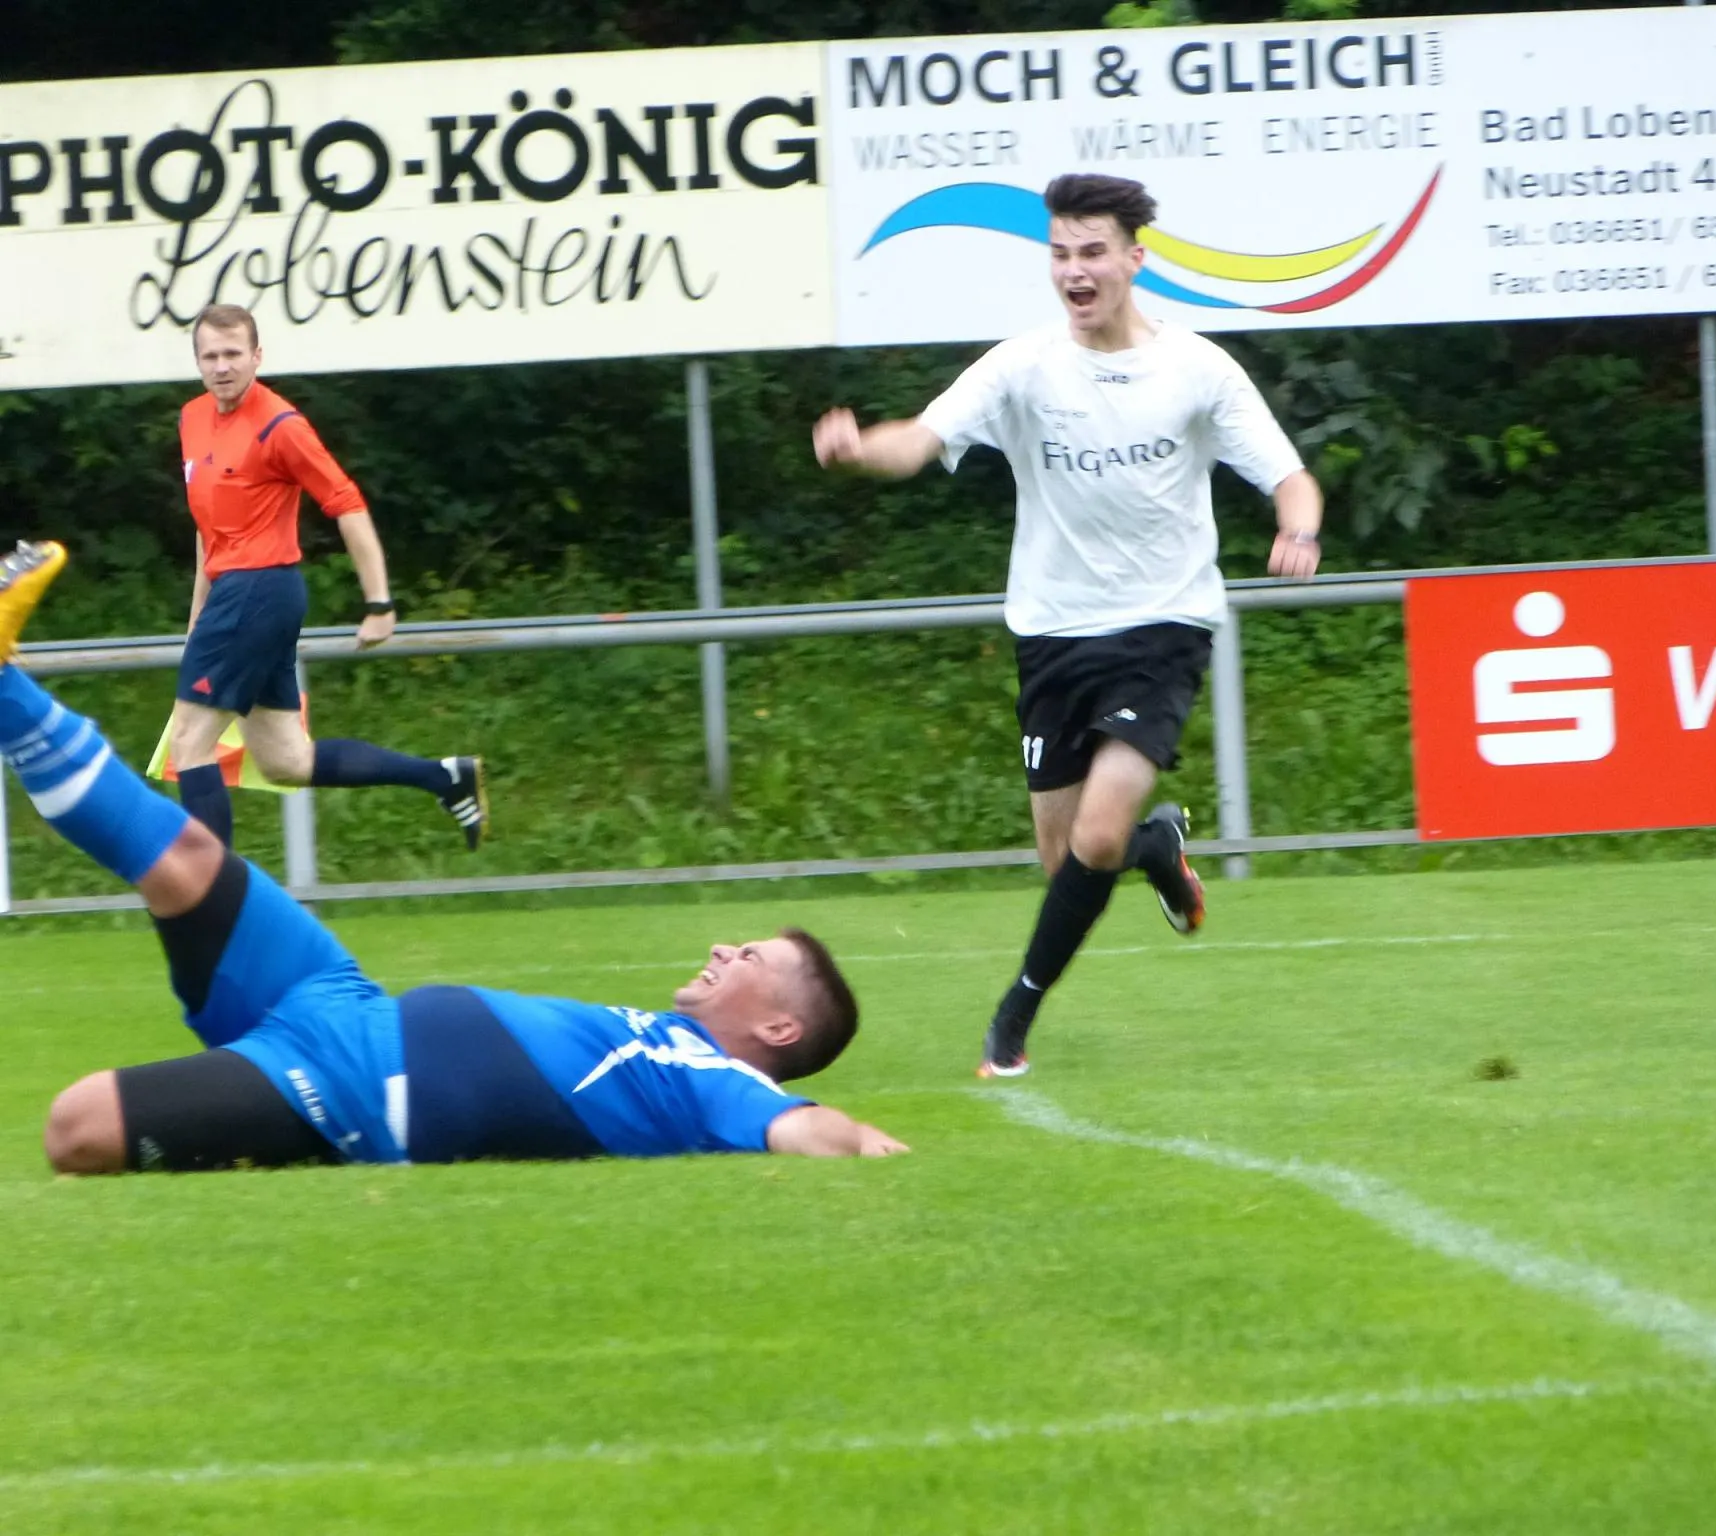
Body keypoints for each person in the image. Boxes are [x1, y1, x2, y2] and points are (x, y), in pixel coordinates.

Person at [3, 543, 906, 1172]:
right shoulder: (672, 1046)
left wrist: (868, 1143)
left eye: (750, 959)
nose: (722, 949)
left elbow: (805, 1132)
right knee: (189, 856)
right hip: (337, 998)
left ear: (779, 1031)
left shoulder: (720, 1083)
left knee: (75, 1127)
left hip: (350, 1088)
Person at [814, 172, 1323, 1079]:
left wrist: (1299, 529)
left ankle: (1012, 1020)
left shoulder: (1198, 368)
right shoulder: (1022, 367)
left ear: (1135, 259)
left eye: (1092, 253)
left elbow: (1289, 477)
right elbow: (919, 441)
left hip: (1163, 629)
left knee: (1094, 836)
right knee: (1068, 860)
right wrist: (861, 450)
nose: (1074, 272)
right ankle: (1155, 847)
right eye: (1060, 254)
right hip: (1052, 633)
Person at [172, 303, 486, 851]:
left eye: (233, 354)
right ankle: (444, 778)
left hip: (259, 590)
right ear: (197, 361)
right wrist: (199, 609)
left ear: (257, 356)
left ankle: (212, 893)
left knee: (189, 744)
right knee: (286, 762)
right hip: (239, 596)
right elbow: (208, 523)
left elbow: (347, 503)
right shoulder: (193, 418)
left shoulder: (281, 426)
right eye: (210, 356)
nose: (222, 366)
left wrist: (379, 603)